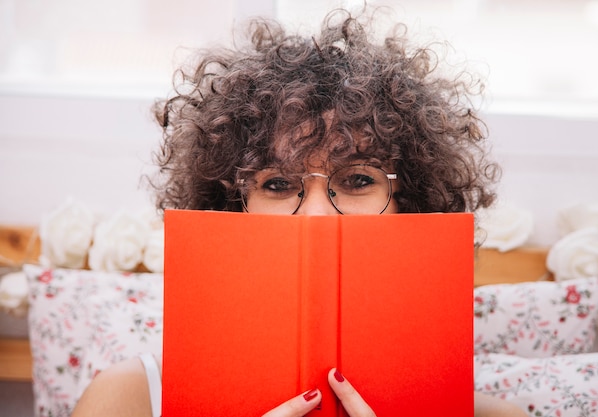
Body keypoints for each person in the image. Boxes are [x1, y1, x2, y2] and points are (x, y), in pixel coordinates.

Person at [71, 7, 526, 417]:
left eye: (357, 180)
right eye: (277, 184)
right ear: (232, 205)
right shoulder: (128, 398)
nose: (315, 216)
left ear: (412, 203)